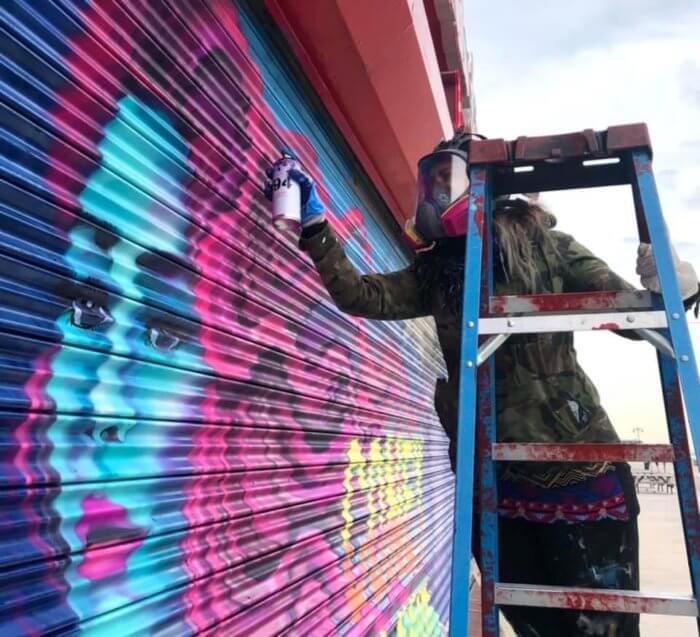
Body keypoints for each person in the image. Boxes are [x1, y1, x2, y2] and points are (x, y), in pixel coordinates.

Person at [265, 133, 700, 637]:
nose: (435, 192)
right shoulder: (440, 270)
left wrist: (672, 289)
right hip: (489, 475)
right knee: (535, 627)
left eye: (447, 178)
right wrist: (316, 225)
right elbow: (364, 296)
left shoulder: (544, 246)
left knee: (603, 630)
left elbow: (635, 316)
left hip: (581, 470)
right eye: (432, 181)